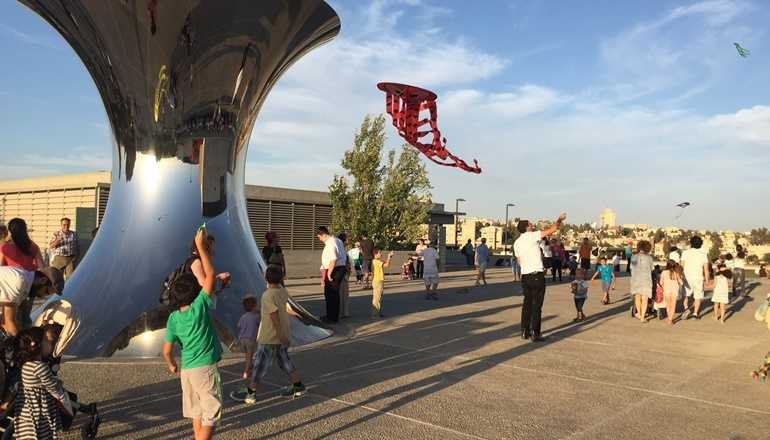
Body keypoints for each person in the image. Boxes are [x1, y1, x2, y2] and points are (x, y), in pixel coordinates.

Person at [163, 228, 223, 440]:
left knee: (196, 412)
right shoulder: (200, 308)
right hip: (205, 369)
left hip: (187, 370)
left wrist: (172, 364)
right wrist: (201, 247)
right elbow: (210, 277)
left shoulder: (173, 318)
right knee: (211, 415)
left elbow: (166, 350)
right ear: (194, 293)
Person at [234, 265, 306, 404]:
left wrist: (280, 335)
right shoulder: (282, 291)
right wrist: (284, 334)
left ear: (266, 278)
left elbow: (274, 316)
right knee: (285, 362)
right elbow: (284, 308)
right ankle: (298, 386)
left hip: (269, 337)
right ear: (281, 278)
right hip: (281, 335)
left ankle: (251, 393)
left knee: (260, 365)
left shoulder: (267, 295)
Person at [513, 213, 567, 342]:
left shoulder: (516, 243)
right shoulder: (532, 235)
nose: (532, 225)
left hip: (525, 276)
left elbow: (519, 261)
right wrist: (559, 219)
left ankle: (524, 331)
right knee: (537, 305)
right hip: (536, 275)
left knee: (527, 304)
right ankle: (535, 333)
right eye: (530, 224)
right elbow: (553, 229)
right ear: (526, 227)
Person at [13, 327, 70, 440]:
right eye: (46, 340)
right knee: (43, 431)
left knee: (30, 432)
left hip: (27, 405)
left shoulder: (26, 364)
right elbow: (52, 387)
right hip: (39, 405)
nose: (50, 343)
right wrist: (63, 398)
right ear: (37, 345)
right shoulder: (40, 367)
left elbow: (39, 382)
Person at [0, 266, 63, 337]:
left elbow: (3, 321)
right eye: (46, 292)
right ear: (43, 280)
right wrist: (24, 341)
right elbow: (8, 321)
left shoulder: (25, 282)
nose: (42, 296)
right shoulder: (20, 282)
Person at [189, 234, 232, 303]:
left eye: (211, 247)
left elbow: (210, 295)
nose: (212, 251)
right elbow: (205, 289)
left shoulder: (202, 264)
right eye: (208, 247)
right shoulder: (196, 261)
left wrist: (222, 286)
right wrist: (219, 278)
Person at [318, 226, 346, 323]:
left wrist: (329, 273)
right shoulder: (338, 240)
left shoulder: (331, 242)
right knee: (331, 293)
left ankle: (332, 317)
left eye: (319, 237)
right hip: (338, 268)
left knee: (331, 294)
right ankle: (331, 315)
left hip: (334, 269)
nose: (320, 240)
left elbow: (333, 259)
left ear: (323, 234)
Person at [680, 236, 709, 320]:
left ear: (691, 243)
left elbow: (681, 266)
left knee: (686, 295)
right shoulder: (703, 254)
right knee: (698, 296)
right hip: (698, 277)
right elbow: (706, 269)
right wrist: (707, 280)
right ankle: (695, 314)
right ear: (700, 244)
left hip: (687, 277)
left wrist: (680, 277)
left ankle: (686, 308)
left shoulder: (685, 253)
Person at [630, 241, 653, 323]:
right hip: (646, 280)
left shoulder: (634, 257)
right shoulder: (649, 258)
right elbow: (652, 269)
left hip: (636, 279)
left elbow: (632, 268)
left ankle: (639, 314)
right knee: (645, 299)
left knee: (637, 297)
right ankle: (642, 317)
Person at [237, 296, 259, 380]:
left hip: (242, 339)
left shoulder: (243, 317)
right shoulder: (256, 317)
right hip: (250, 339)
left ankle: (250, 366)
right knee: (250, 356)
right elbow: (260, 324)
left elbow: (239, 326)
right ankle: (246, 371)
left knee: (247, 355)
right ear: (254, 307)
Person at [371, 248, 394, 318]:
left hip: (378, 281)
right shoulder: (376, 261)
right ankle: (375, 314)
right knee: (377, 298)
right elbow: (386, 265)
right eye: (379, 252)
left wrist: (389, 257)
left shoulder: (376, 261)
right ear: (375, 254)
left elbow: (386, 263)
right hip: (378, 281)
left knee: (378, 297)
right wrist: (389, 257)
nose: (381, 254)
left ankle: (377, 313)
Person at [660, 260, 683, 325]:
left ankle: (669, 318)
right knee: (673, 306)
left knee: (668, 305)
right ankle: (670, 319)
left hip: (666, 291)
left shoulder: (664, 272)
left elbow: (661, 282)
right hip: (674, 291)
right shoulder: (676, 273)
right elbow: (681, 283)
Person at [337, 233, 351, 319]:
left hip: (344, 274)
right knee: (341, 294)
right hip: (341, 274)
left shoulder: (343, 250)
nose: (348, 241)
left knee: (344, 294)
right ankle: (341, 312)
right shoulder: (340, 250)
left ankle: (344, 312)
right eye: (347, 239)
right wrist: (347, 271)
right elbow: (345, 263)